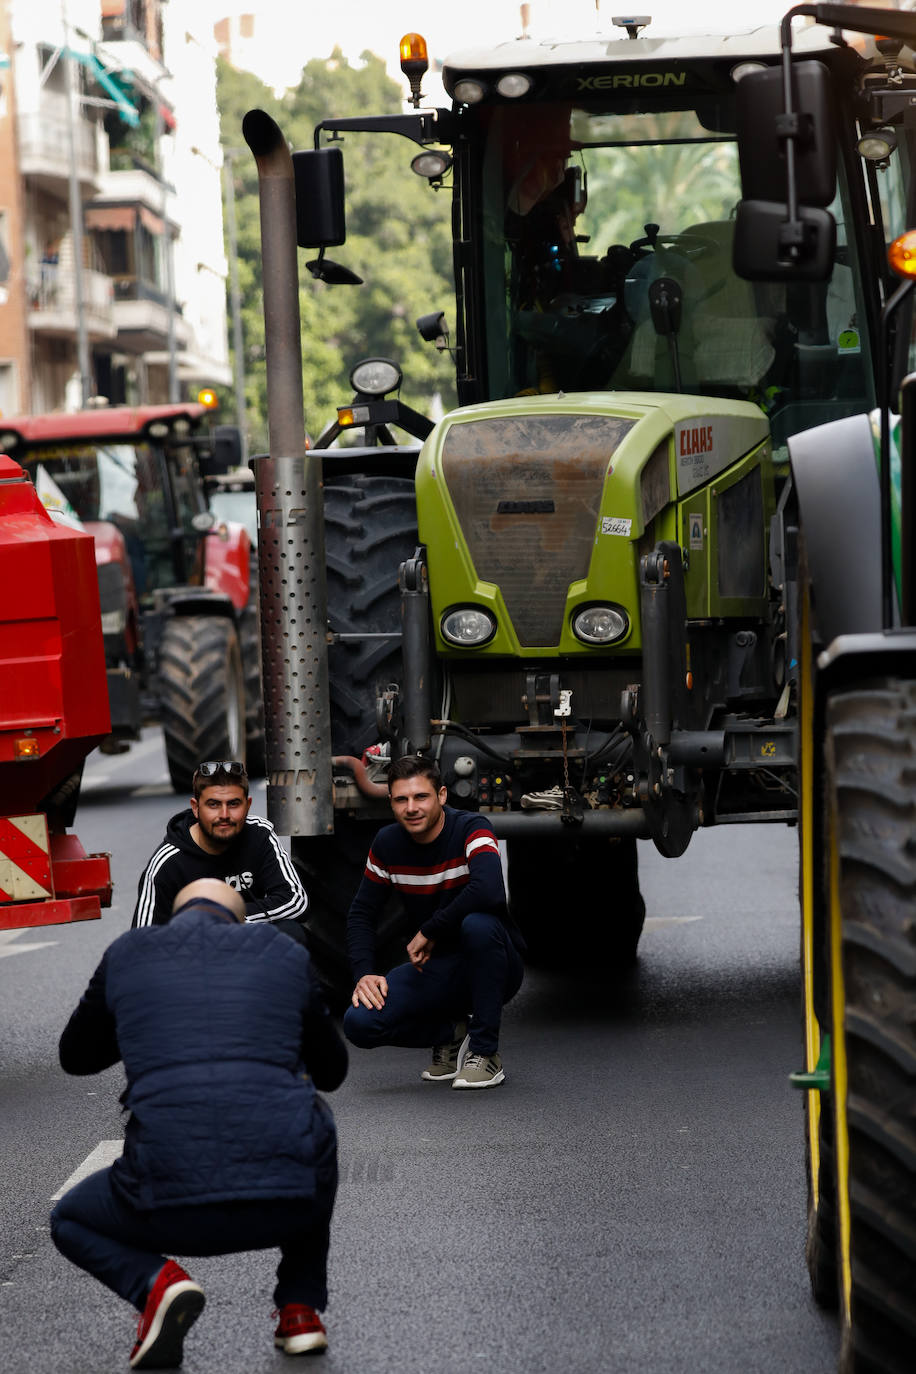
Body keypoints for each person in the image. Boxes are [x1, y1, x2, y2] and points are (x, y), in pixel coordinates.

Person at [50, 878, 347, 1369]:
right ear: (239, 922)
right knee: (311, 1121)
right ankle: (300, 1310)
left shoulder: (129, 953)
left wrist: (142, 1027)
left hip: (164, 1208)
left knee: (70, 1218)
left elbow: (75, 1058)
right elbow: (333, 1072)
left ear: (174, 918)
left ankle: (156, 1283)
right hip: (285, 1205)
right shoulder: (283, 952)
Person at [343, 755, 525, 1089]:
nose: (411, 807)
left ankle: (486, 1054)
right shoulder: (386, 844)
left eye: (421, 797)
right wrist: (364, 973)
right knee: (359, 1023)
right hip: (438, 970)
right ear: (391, 802)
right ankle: (451, 1034)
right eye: (401, 799)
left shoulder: (473, 828)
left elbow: (489, 891)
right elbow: (361, 914)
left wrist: (430, 929)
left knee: (478, 924)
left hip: (495, 963)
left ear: (441, 795)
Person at [132, 760, 308, 935]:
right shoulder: (168, 862)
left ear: (247, 806)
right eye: (213, 804)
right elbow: (143, 938)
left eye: (233, 804)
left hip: (251, 944)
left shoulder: (259, 834)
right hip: (195, 953)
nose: (224, 815)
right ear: (195, 807)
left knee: (292, 932)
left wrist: (223, 919)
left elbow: (295, 901)